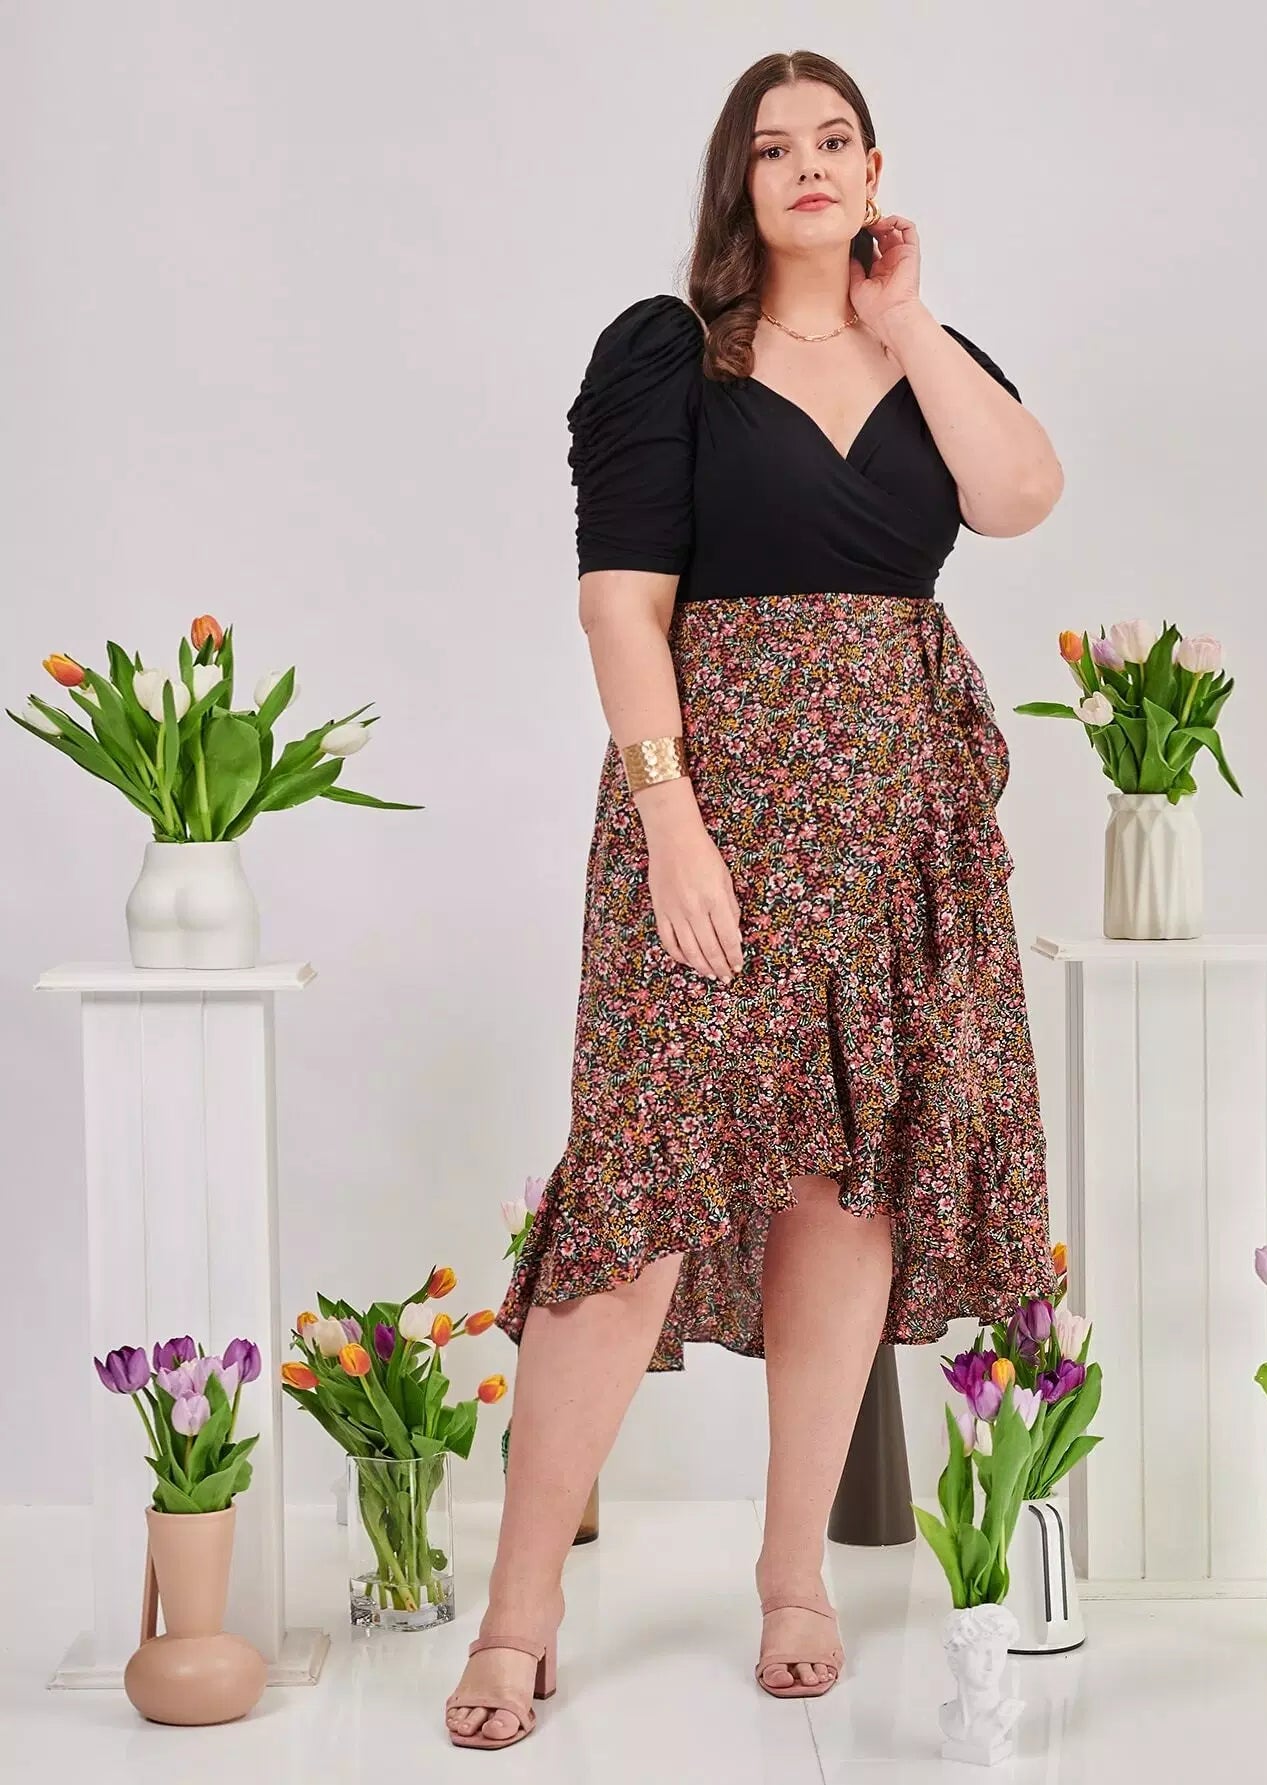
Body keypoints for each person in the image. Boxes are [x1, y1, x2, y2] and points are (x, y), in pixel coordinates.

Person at [445, 48, 1064, 1750]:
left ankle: (795, 1575)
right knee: (636, 1187)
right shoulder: (670, 355)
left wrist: (905, 314)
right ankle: (518, 1608)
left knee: (844, 1183)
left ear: (875, 170)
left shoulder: (929, 355)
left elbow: (1020, 496)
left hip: (896, 822)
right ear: (738, 181)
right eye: (775, 145)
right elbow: (621, 606)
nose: (809, 165)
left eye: (836, 139)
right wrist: (672, 819)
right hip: (714, 809)